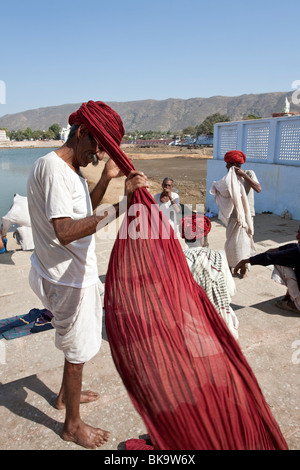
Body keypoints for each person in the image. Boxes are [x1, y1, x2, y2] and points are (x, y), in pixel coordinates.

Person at [27, 106, 148, 449]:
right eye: (96, 148)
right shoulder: (53, 168)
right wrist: (122, 207)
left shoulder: (71, 169)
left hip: (72, 271)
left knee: (75, 343)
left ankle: (67, 396)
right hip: (66, 277)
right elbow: (66, 231)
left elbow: (82, 214)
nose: (97, 157)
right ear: (81, 133)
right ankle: (72, 424)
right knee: (78, 349)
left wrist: (108, 179)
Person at [181, 214, 239, 339]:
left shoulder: (178, 258)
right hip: (220, 316)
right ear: (203, 238)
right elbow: (231, 290)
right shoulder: (220, 255)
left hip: (191, 316)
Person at [210, 150, 261, 277]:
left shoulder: (249, 173)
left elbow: (258, 188)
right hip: (233, 216)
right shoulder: (229, 177)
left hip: (247, 215)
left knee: (244, 243)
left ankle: (243, 269)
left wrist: (244, 176)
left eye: (228, 164)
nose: (226, 167)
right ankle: (230, 267)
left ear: (234, 164)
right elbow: (225, 193)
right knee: (230, 243)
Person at [235, 225, 300, 314]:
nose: (297, 237)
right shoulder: (296, 249)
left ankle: (296, 305)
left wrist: (245, 261)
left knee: (280, 261)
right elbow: (273, 252)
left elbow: (270, 257)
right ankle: (292, 294)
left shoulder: (296, 253)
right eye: (298, 232)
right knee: (284, 257)